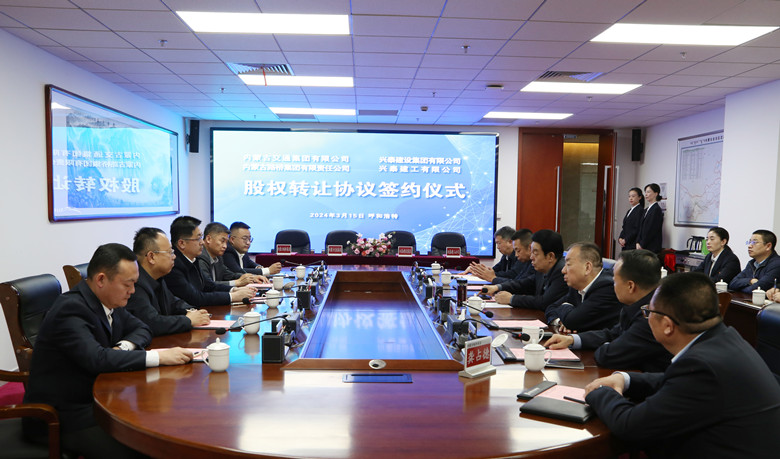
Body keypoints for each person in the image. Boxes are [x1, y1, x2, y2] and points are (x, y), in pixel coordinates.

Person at [23, 243, 193, 459]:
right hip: (64, 417)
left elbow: (142, 328)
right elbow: (97, 358)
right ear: (101, 279)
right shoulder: (70, 309)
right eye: (128, 284)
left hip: (101, 400)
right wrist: (158, 357)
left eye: (135, 283)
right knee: (146, 448)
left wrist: (122, 347)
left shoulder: (107, 301)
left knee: (161, 425)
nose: (133, 291)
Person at [584, 272, 780, 458]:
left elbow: (630, 427)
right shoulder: (725, 338)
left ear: (667, 326)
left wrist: (600, 392)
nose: (647, 318)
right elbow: (676, 383)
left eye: (648, 312)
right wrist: (625, 379)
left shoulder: (701, 366)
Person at [546, 249, 672, 372]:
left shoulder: (651, 316)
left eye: (615, 282)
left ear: (630, 286)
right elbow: (612, 334)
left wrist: (609, 345)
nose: (613, 286)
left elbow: (607, 355)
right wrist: (573, 340)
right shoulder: (635, 306)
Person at [126, 227, 211, 336]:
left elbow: (174, 303)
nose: (174, 256)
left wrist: (192, 311)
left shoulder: (158, 278)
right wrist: (188, 320)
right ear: (151, 257)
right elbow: (152, 323)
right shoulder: (135, 285)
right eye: (170, 252)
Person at [163, 216, 255, 307]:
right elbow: (196, 298)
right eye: (198, 238)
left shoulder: (194, 259)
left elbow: (209, 285)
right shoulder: (174, 265)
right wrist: (232, 296)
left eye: (201, 237)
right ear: (182, 243)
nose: (202, 242)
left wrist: (234, 290)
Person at [545, 242, 622, 333]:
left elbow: (572, 321)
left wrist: (565, 306)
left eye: (568, 265)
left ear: (587, 268)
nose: (563, 270)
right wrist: (560, 321)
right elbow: (551, 308)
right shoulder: (577, 286)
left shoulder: (607, 288)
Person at [483, 229, 567, 309]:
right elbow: (523, 283)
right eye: (531, 252)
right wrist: (498, 287)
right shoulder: (542, 269)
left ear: (550, 256)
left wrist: (511, 299)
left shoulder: (562, 272)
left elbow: (544, 302)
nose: (531, 257)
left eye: (535, 253)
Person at [197, 222, 263, 286]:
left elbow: (229, 275)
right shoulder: (200, 258)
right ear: (208, 239)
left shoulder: (218, 258)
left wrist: (251, 277)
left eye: (226, 242)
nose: (225, 246)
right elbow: (208, 285)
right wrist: (236, 283)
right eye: (222, 241)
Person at [636, 183, 663, 253]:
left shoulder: (656, 209)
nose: (646, 194)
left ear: (656, 194)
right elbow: (641, 228)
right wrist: (638, 242)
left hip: (651, 247)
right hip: (642, 246)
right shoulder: (646, 210)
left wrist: (642, 244)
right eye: (645, 192)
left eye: (648, 192)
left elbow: (651, 230)